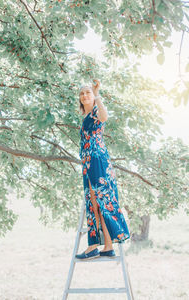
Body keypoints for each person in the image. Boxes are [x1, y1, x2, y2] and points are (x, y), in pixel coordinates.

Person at [76, 79, 130, 260]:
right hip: (89, 162)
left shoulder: (97, 112)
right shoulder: (86, 117)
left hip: (97, 160)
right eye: (82, 93)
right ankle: (107, 246)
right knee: (97, 203)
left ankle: (93, 246)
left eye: (87, 93)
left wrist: (97, 94)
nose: (85, 95)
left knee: (97, 199)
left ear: (93, 96)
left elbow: (105, 117)